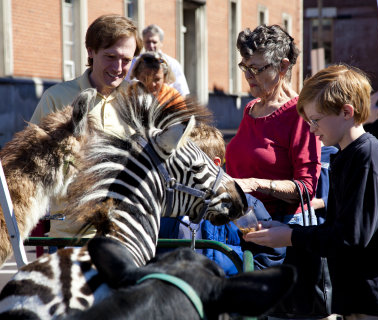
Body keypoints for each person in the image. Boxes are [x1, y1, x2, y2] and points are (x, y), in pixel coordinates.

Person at [244, 64, 378, 320]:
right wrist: (286, 232)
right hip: (359, 299)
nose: (312, 130)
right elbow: (340, 230)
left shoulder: (367, 159)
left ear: (346, 112)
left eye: (315, 120)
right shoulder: (349, 155)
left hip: (373, 303)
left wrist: (291, 236)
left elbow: (350, 238)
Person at [30, 14, 143, 244]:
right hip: (69, 237)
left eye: (126, 60)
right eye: (110, 56)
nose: (118, 67)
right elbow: (31, 164)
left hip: (127, 237)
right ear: (90, 51)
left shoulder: (139, 99)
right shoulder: (56, 98)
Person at [225, 24, 321, 225]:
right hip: (245, 220)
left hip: (283, 227)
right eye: (245, 67)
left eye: (256, 69)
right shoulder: (251, 108)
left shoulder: (300, 114)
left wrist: (256, 184)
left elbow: (306, 188)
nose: (248, 76)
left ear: (283, 67)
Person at [158, 123, 275, 275]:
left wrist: (247, 282)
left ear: (215, 164)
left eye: (190, 168)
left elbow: (269, 253)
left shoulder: (245, 205)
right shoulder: (169, 205)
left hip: (227, 288)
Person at [126, 24, 190, 97]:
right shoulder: (134, 62)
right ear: (143, 42)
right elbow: (127, 84)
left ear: (161, 43)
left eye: (154, 42)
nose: (151, 45)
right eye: (148, 42)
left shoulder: (172, 63)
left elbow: (181, 92)